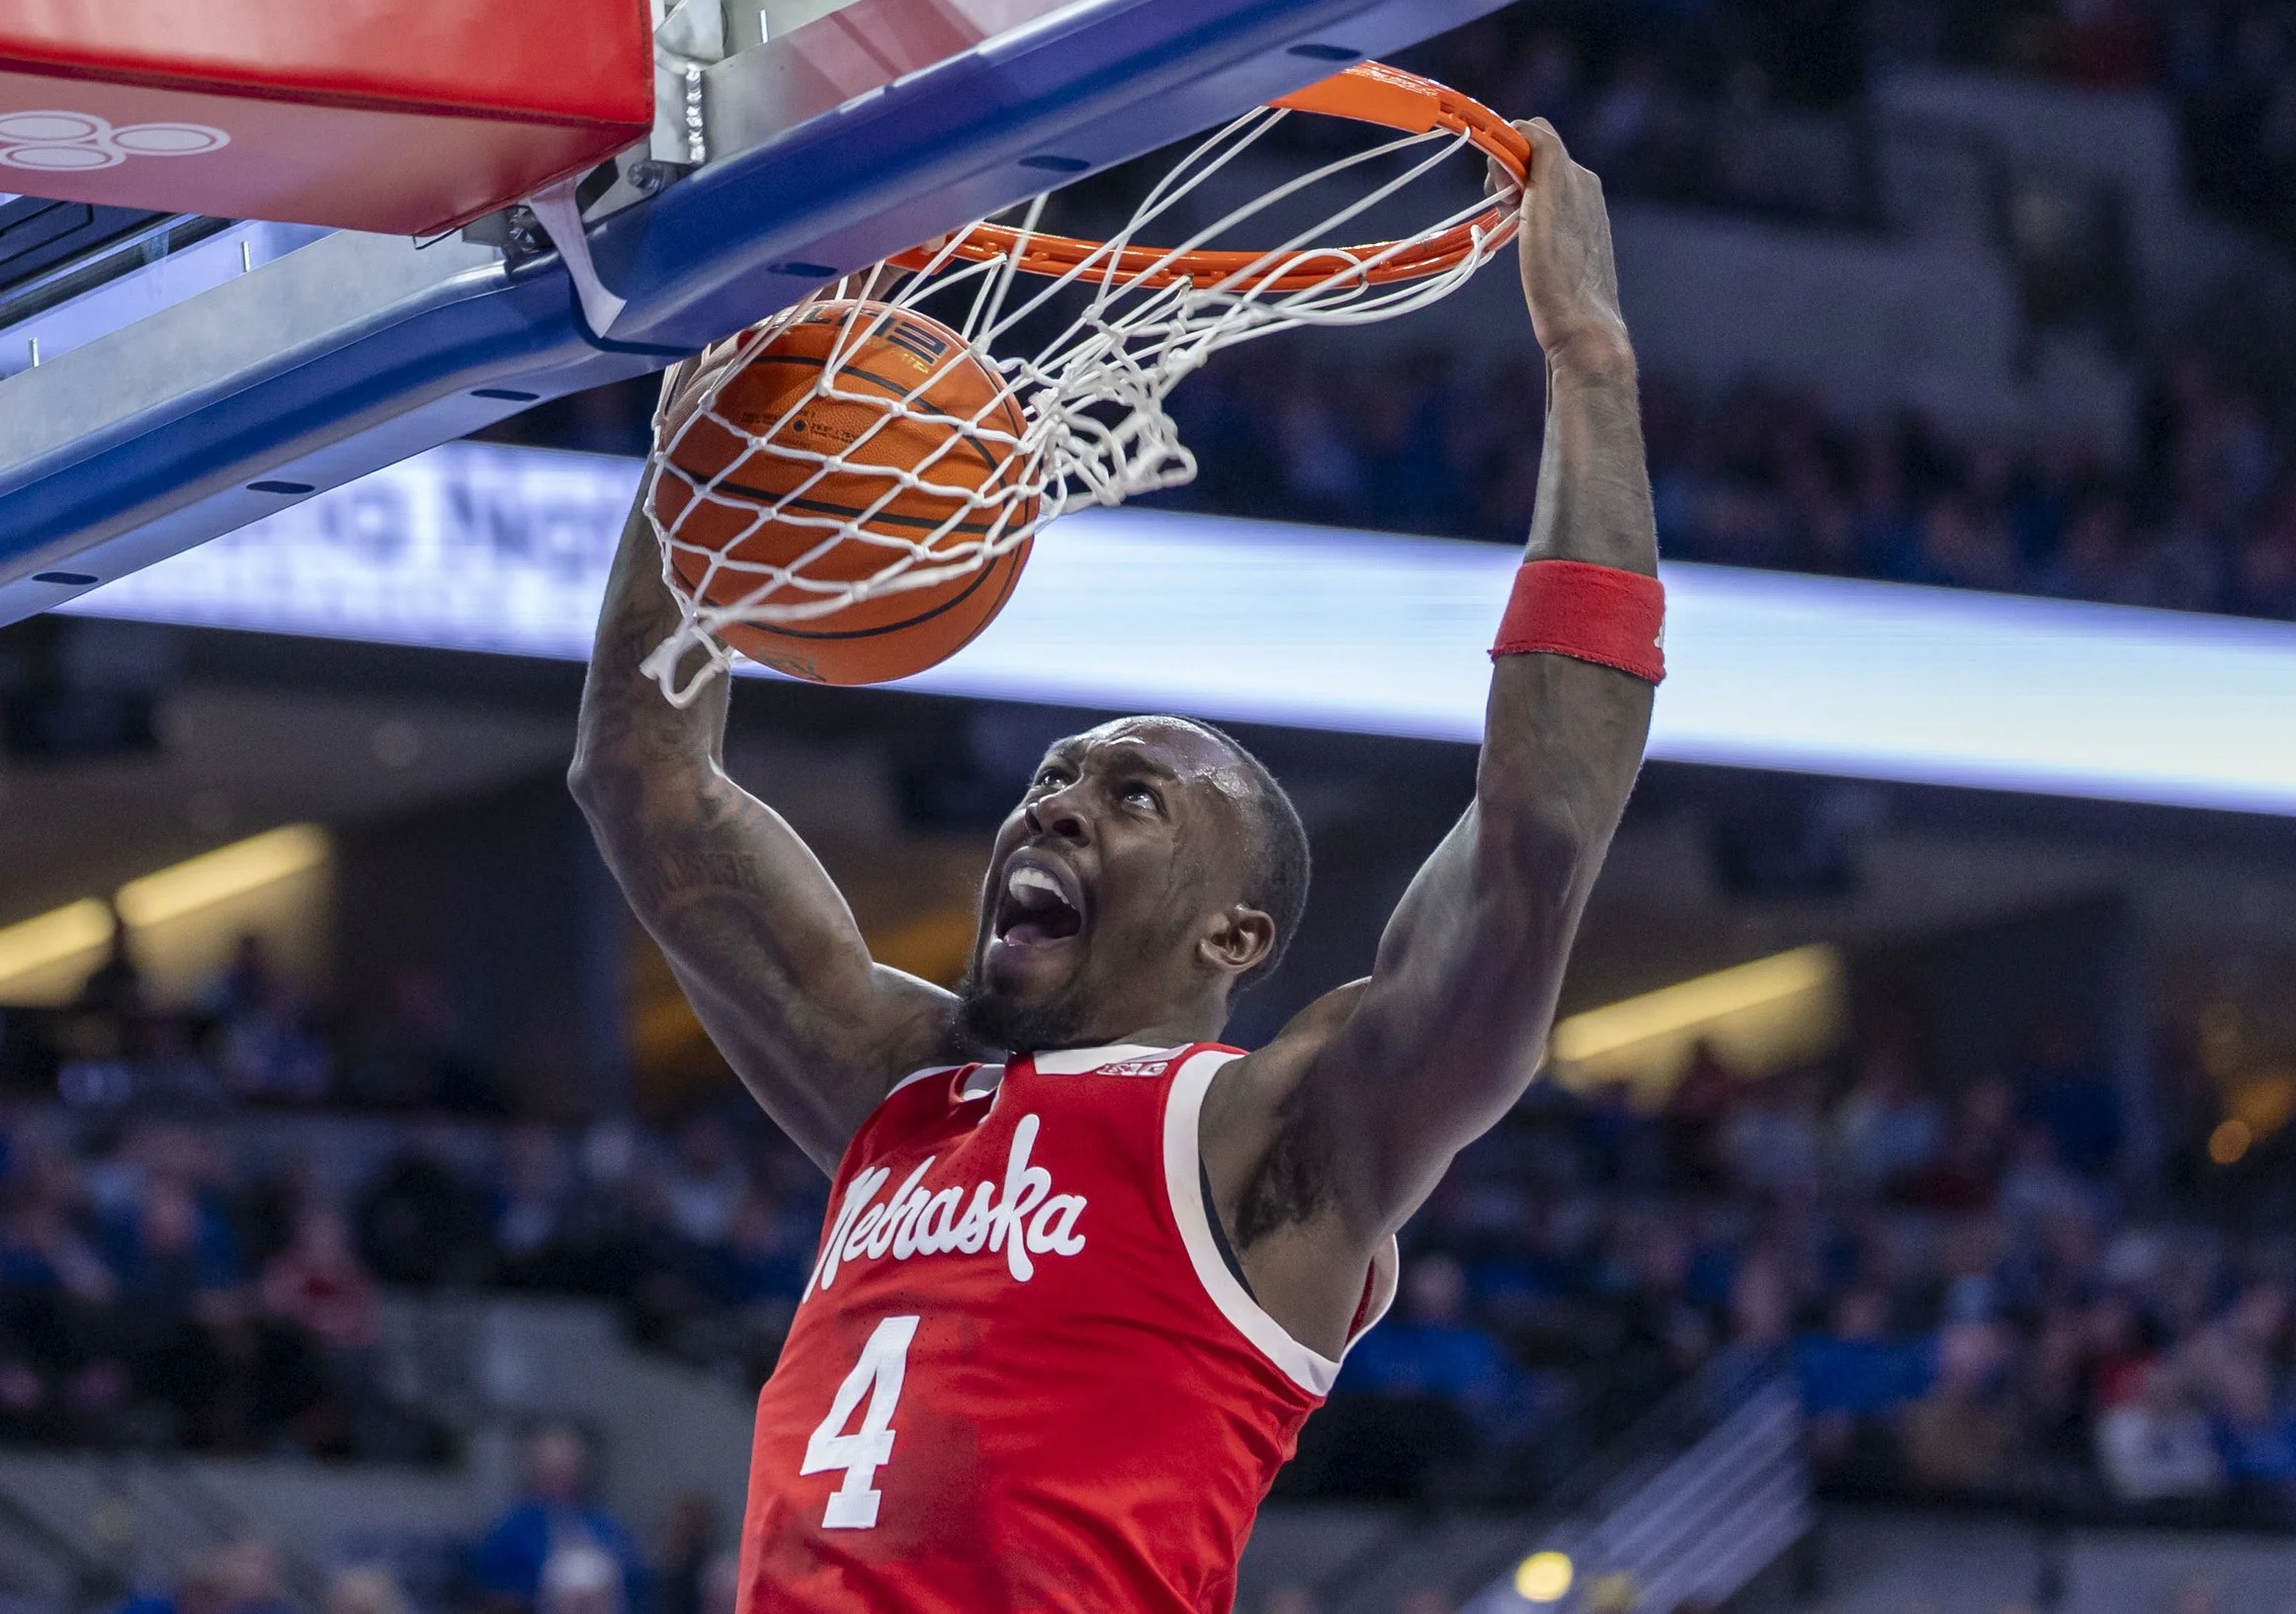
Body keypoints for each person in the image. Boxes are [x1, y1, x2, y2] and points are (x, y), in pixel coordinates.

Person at [571, 124, 1661, 1613]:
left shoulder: (1278, 1135)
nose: (1057, 808)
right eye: (1051, 778)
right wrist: (709, 449)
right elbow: (641, 780)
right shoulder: (899, 1082)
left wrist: (1591, 362)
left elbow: (1539, 832)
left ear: (1237, 932)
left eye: (1132, 795)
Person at [470, 1426, 643, 1614]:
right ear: (535, 1471)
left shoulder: (604, 1525)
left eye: (566, 1469)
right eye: (551, 1470)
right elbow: (498, 1596)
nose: (559, 1478)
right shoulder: (509, 1532)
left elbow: (632, 1582)